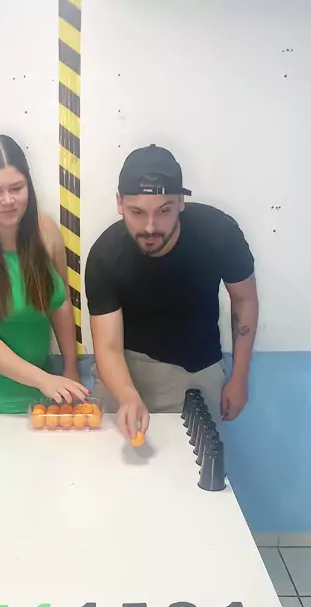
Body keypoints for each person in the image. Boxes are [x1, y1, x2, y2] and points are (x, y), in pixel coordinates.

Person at [85, 144, 258, 440]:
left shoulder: (219, 235)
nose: (150, 227)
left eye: (163, 211)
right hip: (126, 370)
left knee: (193, 466)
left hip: (198, 369)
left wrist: (240, 377)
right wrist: (127, 395)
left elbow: (244, 300)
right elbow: (108, 346)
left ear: (180, 202)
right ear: (119, 202)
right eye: (137, 212)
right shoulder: (105, 255)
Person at [0, 135, 88, 411]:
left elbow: (60, 303)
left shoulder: (46, 230)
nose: (8, 200)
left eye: (17, 188)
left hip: (42, 382)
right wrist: (45, 380)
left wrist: (70, 367)